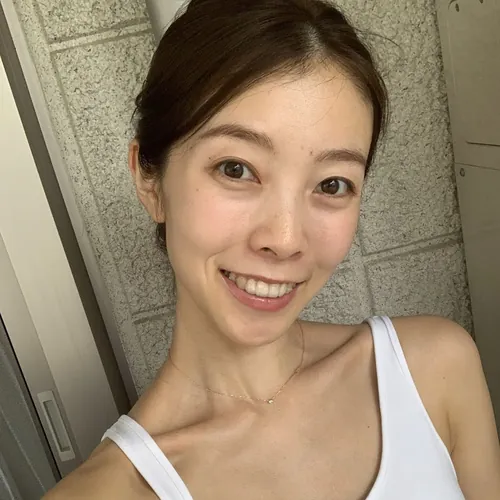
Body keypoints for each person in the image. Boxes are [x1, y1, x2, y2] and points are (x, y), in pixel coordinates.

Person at [45, 0, 500, 498]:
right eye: (236, 169)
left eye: (331, 184)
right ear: (149, 180)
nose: (285, 240)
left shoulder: (434, 370)